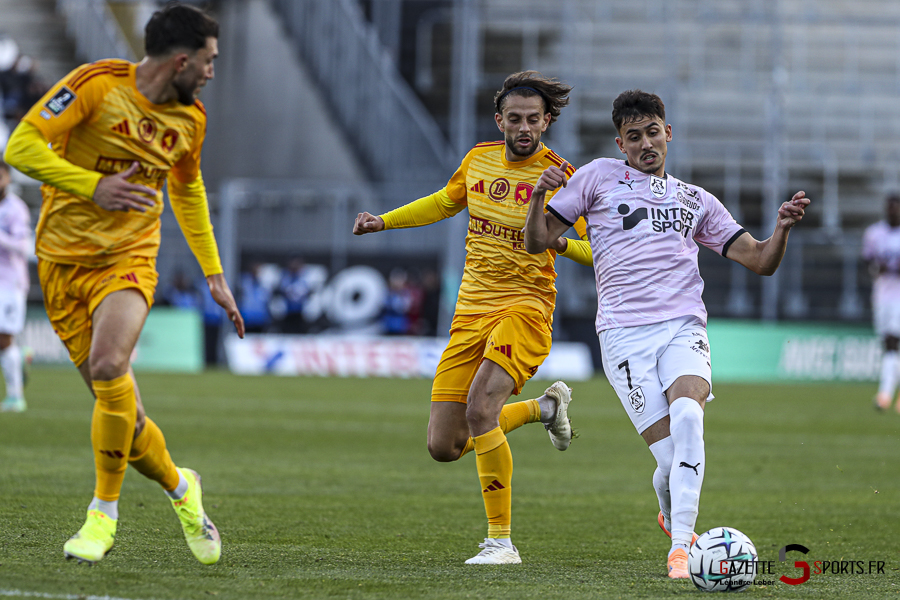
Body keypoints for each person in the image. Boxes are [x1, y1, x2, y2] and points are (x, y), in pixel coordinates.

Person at [524, 89, 810, 579]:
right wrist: (537, 197)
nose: (645, 144)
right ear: (621, 144)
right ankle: (670, 512)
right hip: (624, 336)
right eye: (633, 137)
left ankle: (681, 550)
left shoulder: (695, 200)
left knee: (689, 419)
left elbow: (761, 261)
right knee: (671, 460)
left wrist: (781, 228)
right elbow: (537, 241)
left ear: (668, 133)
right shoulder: (597, 177)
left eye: (653, 133)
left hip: (683, 327)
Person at [3, 3, 244, 565]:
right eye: (208, 60)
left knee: (111, 364)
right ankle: (183, 488)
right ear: (181, 60)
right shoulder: (95, 85)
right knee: (127, 421)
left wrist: (214, 274)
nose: (212, 72)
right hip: (62, 263)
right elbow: (21, 147)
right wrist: (94, 186)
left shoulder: (191, 120)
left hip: (129, 258)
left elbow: (187, 191)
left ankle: (102, 516)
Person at [353, 71, 593, 565]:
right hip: (470, 311)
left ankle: (501, 543)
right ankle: (543, 409)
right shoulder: (477, 159)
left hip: (525, 308)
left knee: (481, 409)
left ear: (547, 121)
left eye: (533, 119)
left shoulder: (564, 177)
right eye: (515, 119)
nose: (524, 128)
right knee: (444, 445)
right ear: (499, 120)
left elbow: (597, 250)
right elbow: (444, 202)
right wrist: (384, 221)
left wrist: (557, 242)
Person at [862, 194, 900, 411]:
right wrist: (878, 268)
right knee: (888, 344)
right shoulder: (874, 233)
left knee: (893, 340)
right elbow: (867, 261)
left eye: (896, 207)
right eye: (890, 207)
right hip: (882, 294)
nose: (892, 211)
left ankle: (884, 394)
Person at [0, 159, 31, 412]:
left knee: (4, 338)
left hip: (9, 282)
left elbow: (24, 247)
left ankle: (15, 397)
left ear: (8, 178)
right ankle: (19, 356)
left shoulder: (15, 209)